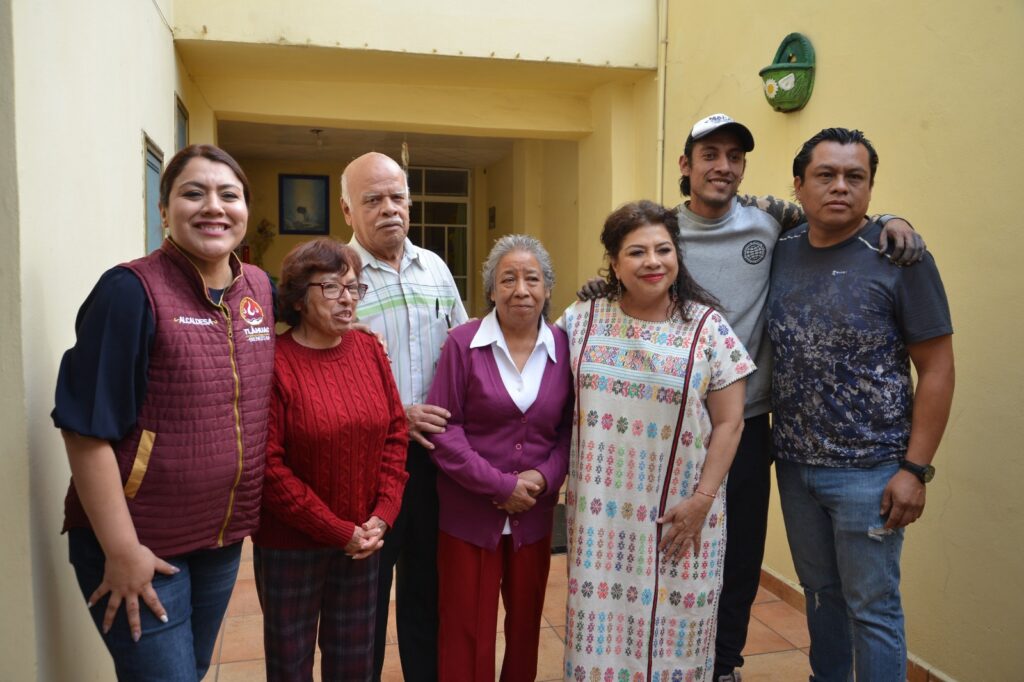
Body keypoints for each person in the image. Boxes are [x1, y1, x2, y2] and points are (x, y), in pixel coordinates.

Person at [582, 113, 926, 682]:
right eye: (709, 154)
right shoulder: (663, 231)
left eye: (734, 157)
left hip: (747, 421)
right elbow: (628, 263)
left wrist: (892, 218)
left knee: (737, 554)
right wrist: (602, 284)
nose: (723, 166)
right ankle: (652, 657)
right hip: (662, 424)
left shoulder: (770, 222)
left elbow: (838, 208)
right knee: (655, 544)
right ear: (685, 165)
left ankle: (722, 664)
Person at [52, 144, 274, 681]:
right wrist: (122, 549)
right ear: (164, 210)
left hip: (219, 542)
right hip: (139, 544)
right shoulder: (130, 291)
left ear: (245, 208)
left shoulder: (258, 288)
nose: (213, 207)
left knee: (189, 672)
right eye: (193, 193)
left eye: (229, 194)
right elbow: (85, 430)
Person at [767, 128, 954, 681]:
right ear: (799, 185)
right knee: (822, 599)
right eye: (826, 175)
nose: (841, 187)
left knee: (872, 610)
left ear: (871, 187)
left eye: (856, 177)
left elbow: (938, 369)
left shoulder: (900, 257)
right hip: (796, 467)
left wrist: (914, 469)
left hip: (871, 474)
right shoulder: (780, 251)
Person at [561, 200, 754, 681]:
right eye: (636, 252)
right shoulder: (580, 320)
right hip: (600, 518)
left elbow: (731, 423)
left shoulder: (709, 329)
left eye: (663, 250)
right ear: (613, 262)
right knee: (601, 633)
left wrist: (702, 500)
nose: (653, 262)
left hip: (683, 513)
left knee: (677, 633)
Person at [252, 238, 408, 682]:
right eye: (333, 288)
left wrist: (383, 512)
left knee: (354, 666)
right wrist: (337, 530)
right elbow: (269, 467)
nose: (348, 300)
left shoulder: (368, 350)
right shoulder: (275, 362)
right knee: (290, 667)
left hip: (363, 542)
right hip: (291, 546)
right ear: (299, 297)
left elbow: (395, 433)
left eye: (355, 289)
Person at [339, 152, 469, 682]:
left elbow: (464, 349)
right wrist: (397, 415)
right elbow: (325, 372)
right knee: (362, 604)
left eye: (397, 197)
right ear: (348, 211)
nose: (388, 209)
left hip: (435, 464)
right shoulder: (336, 276)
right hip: (368, 468)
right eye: (373, 200)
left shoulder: (435, 268)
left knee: (427, 593)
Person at [426, 235, 572, 681]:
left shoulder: (564, 347)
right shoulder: (462, 343)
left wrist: (544, 479)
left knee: (526, 624)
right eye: (508, 279)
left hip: (534, 514)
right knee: (466, 628)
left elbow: (569, 430)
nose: (520, 290)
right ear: (491, 290)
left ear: (547, 289)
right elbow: (444, 429)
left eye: (532, 279)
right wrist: (501, 486)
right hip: (469, 514)